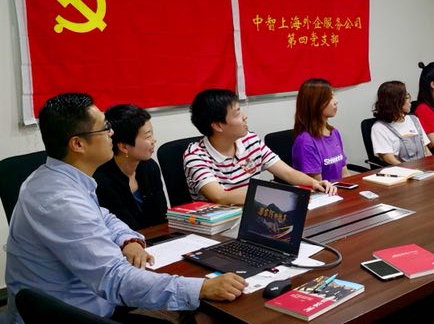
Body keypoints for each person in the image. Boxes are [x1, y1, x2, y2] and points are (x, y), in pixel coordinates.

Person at [2, 93, 246, 324]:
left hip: (77, 309)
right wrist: (201, 289)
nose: (111, 133)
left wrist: (128, 239)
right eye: (104, 127)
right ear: (78, 144)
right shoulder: (60, 201)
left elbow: (104, 216)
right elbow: (115, 280)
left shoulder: (57, 178)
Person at [183, 89, 336, 205]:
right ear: (218, 126)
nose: (244, 116)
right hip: (219, 228)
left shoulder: (250, 140)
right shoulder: (195, 156)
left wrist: (314, 183)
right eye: (237, 114)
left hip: (255, 213)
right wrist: (271, 194)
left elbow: (287, 173)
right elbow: (220, 196)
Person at [93, 104, 167, 230]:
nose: (153, 140)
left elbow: (162, 216)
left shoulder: (150, 167)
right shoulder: (102, 181)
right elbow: (123, 227)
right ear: (124, 147)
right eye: (148, 136)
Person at [291, 78, 349, 181]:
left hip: (340, 188)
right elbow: (318, 185)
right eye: (330, 98)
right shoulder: (306, 141)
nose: (336, 102)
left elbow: (345, 174)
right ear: (315, 103)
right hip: (325, 190)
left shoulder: (334, 133)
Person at [371, 81, 431, 165]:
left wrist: (432, 165)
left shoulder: (413, 120)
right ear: (396, 102)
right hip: (402, 170)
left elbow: (426, 150)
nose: (410, 100)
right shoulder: (379, 128)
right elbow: (390, 160)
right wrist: (412, 171)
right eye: (406, 97)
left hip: (423, 167)